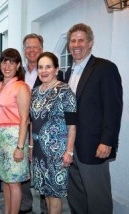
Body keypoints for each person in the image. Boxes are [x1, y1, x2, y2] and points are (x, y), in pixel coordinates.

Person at [58, 23, 123, 214]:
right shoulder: (68, 73)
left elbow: (114, 108)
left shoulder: (105, 68)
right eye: (72, 41)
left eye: (81, 40)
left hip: (95, 146)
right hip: (71, 146)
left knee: (98, 197)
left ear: (90, 43)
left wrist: (107, 142)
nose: (76, 44)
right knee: (76, 193)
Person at [30, 52, 77, 213]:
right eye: (40, 67)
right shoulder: (35, 92)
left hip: (57, 152)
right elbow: (32, 122)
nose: (43, 71)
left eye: (48, 67)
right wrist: (30, 147)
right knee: (46, 194)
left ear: (56, 69)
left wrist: (69, 151)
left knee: (55, 195)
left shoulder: (65, 91)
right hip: (38, 152)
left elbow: (72, 125)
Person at [0, 48, 30, 214]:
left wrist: (20, 147)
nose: (7, 65)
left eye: (12, 62)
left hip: (15, 138)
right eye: (4, 61)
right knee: (5, 181)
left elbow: (25, 119)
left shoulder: (21, 87)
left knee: (14, 183)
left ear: (18, 65)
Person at [21, 33, 45, 214]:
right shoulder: (17, 72)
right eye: (28, 47)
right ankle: (25, 204)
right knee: (22, 166)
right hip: (22, 128)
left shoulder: (48, 71)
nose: (31, 50)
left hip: (43, 129)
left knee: (44, 166)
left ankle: (46, 207)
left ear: (41, 49)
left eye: (35, 47)